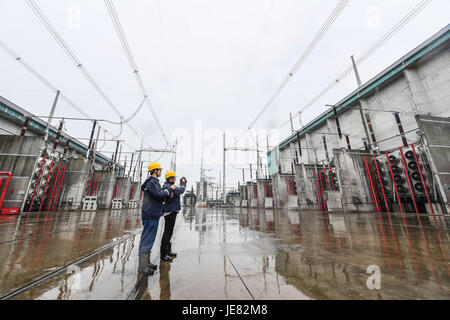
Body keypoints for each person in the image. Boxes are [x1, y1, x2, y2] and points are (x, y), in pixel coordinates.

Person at [138, 162, 176, 276]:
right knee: (147, 240)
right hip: (150, 214)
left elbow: (158, 196)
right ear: (155, 171)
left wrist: (165, 194)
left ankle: (147, 263)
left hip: (153, 213)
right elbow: (158, 194)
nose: (160, 172)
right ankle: (142, 267)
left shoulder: (153, 182)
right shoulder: (152, 182)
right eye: (159, 170)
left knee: (150, 240)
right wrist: (168, 190)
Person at [160, 171, 187, 262]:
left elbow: (177, 190)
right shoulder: (168, 186)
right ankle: (163, 254)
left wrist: (181, 184)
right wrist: (183, 183)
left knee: (169, 232)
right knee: (167, 233)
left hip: (173, 211)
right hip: (169, 212)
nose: (175, 179)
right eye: (174, 178)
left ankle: (168, 251)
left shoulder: (171, 186)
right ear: (170, 178)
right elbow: (180, 191)